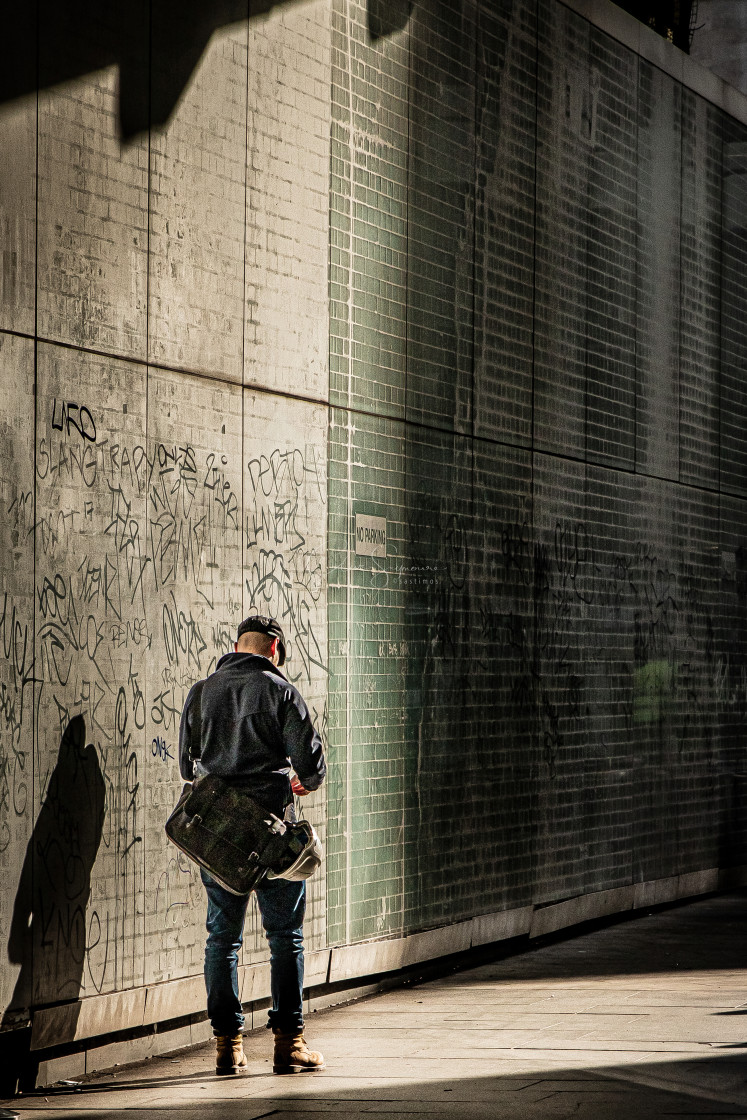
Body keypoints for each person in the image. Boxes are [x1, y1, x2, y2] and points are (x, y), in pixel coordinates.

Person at [179, 615, 326, 1075]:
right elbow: (312, 765)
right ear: (274, 648)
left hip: (218, 834)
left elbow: (188, 768)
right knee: (285, 936)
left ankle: (228, 1045)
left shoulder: (202, 691)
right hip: (273, 836)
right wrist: (302, 779)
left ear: (237, 645)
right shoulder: (281, 691)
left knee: (222, 938)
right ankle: (289, 1043)